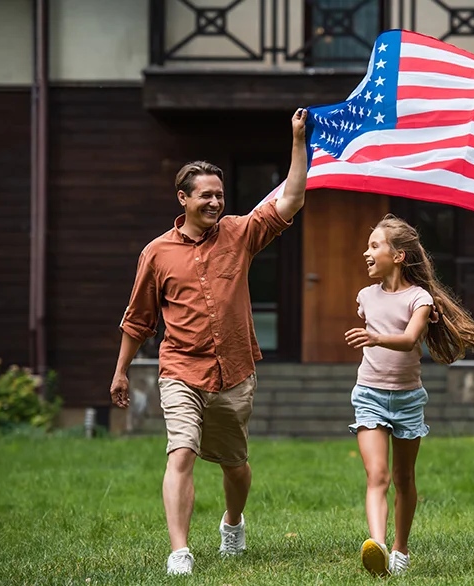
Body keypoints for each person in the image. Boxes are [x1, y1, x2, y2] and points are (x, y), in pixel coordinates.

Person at [109, 109, 308, 575]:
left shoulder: (240, 234)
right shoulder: (157, 253)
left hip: (234, 372)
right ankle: (180, 551)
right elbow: (138, 319)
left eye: (220, 195)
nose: (216, 202)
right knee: (181, 452)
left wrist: (297, 141)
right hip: (180, 369)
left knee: (235, 465)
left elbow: (292, 199)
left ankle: (232, 522)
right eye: (206, 195)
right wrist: (121, 369)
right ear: (183, 199)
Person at [344, 214, 474, 576]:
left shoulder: (420, 299)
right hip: (370, 394)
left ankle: (400, 549)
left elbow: (408, 341)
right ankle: (376, 547)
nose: (366, 253)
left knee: (404, 479)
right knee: (378, 476)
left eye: (375, 246)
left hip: (407, 400)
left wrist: (374, 337)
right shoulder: (365, 296)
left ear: (399, 256)